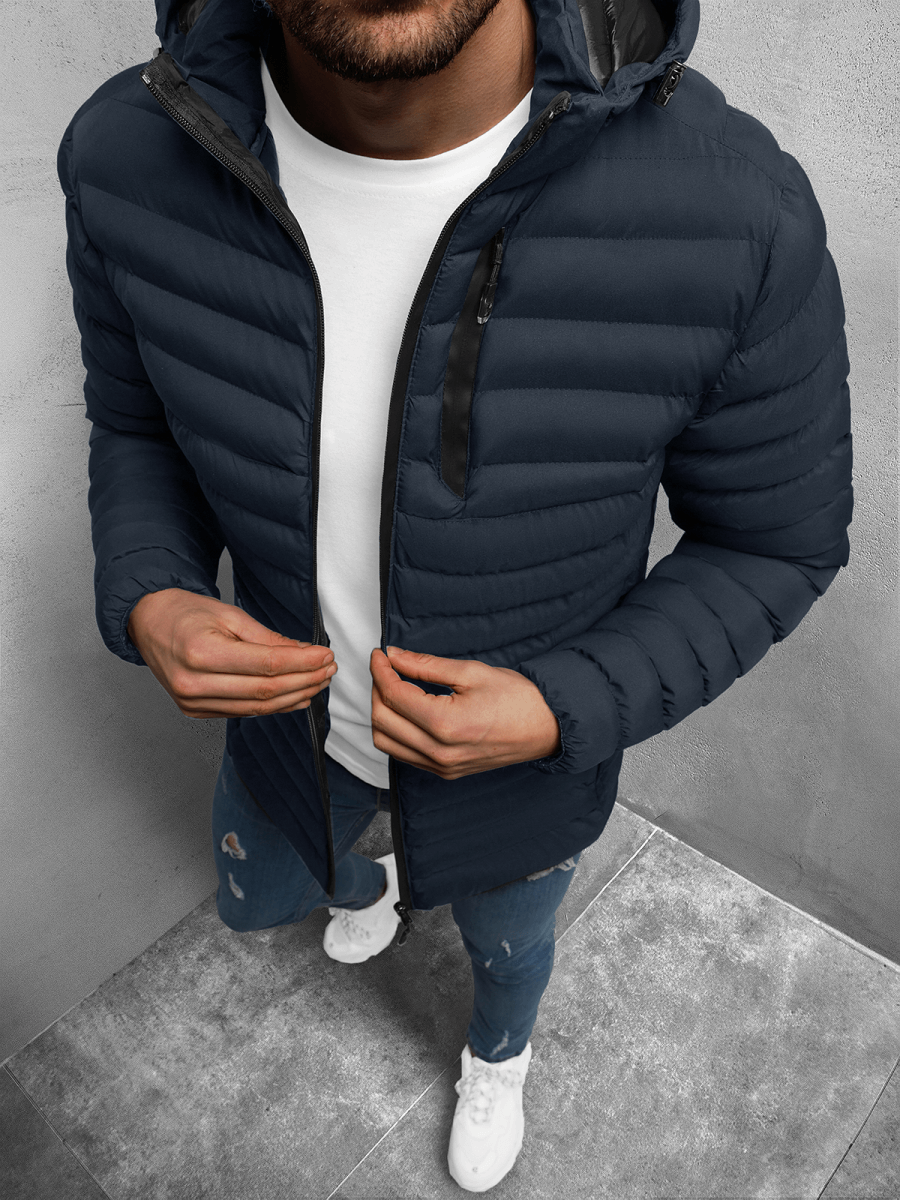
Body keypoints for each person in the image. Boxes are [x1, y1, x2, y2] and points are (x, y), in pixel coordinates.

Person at [59, 0, 852, 1189]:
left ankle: (497, 1057)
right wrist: (150, 590)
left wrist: (559, 707)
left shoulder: (736, 209)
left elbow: (773, 544)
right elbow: (135, 424)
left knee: (510, 945)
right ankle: (368, 880)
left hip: (520, 780)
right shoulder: (125, 153)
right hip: (290, 732)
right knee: (271, 890)